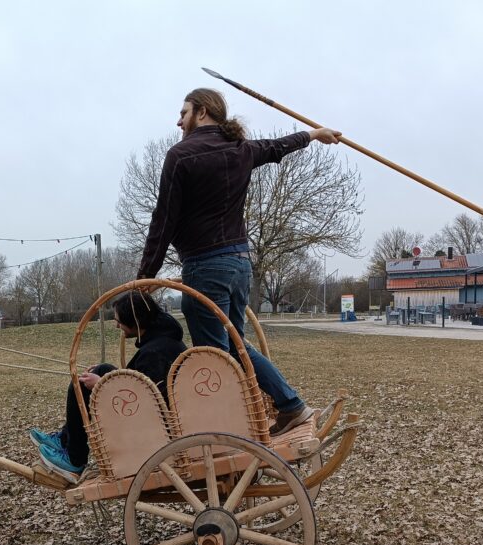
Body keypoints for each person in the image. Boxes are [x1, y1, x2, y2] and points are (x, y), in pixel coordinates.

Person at [136, 87, 342, 435]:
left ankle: (231, 432)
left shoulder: (181, 156)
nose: (179, 121)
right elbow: (277, 146)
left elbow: (163, 220)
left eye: (183, 112)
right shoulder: (240, 149)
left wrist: (145, 275)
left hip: (206, 267)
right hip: (240, 265)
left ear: (202, 112)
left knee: (215, 358)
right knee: (234, 347)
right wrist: (313, 134)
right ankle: (291, 406)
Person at [31, 291, 186, 483]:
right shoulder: (162, 339)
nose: (117, 325)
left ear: (135, 322)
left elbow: (148, 403)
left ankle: (74, 458)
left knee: (79, 386)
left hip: (152, 427)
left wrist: (101, 385)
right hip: (152, 415)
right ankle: (65, 440)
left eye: (119, 321)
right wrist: (103, 376)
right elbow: (143, 383)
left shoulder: (155, 353)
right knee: (103, 369)